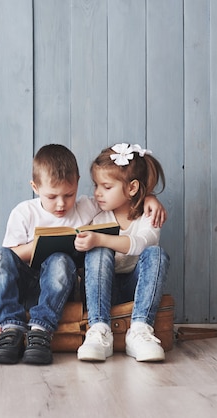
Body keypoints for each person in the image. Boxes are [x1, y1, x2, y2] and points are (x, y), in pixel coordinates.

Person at [0, 144, 166, 365]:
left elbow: (123, 200)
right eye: (52, 196)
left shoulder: (88, 207)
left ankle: (42, 330)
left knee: (61, 260)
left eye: (69, 195)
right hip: (28, 283)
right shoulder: (24, 213)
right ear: (35, 187)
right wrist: (38, 246)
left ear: (78, 184)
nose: (61, 203)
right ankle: (10, 328)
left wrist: (148, 198)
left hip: (62, 285)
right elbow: (9, 256)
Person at [75, 143, 170, 362]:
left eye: (106, 187)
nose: (98, 193)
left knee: (156, 253)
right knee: (97, 252)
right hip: (99, 290)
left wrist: (150, 198)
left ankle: (140, 330)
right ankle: (98, 329)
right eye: (96, 185)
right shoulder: (95, 210)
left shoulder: (149, 215)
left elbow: (141, 244)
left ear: (132, 188)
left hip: (136, 291)